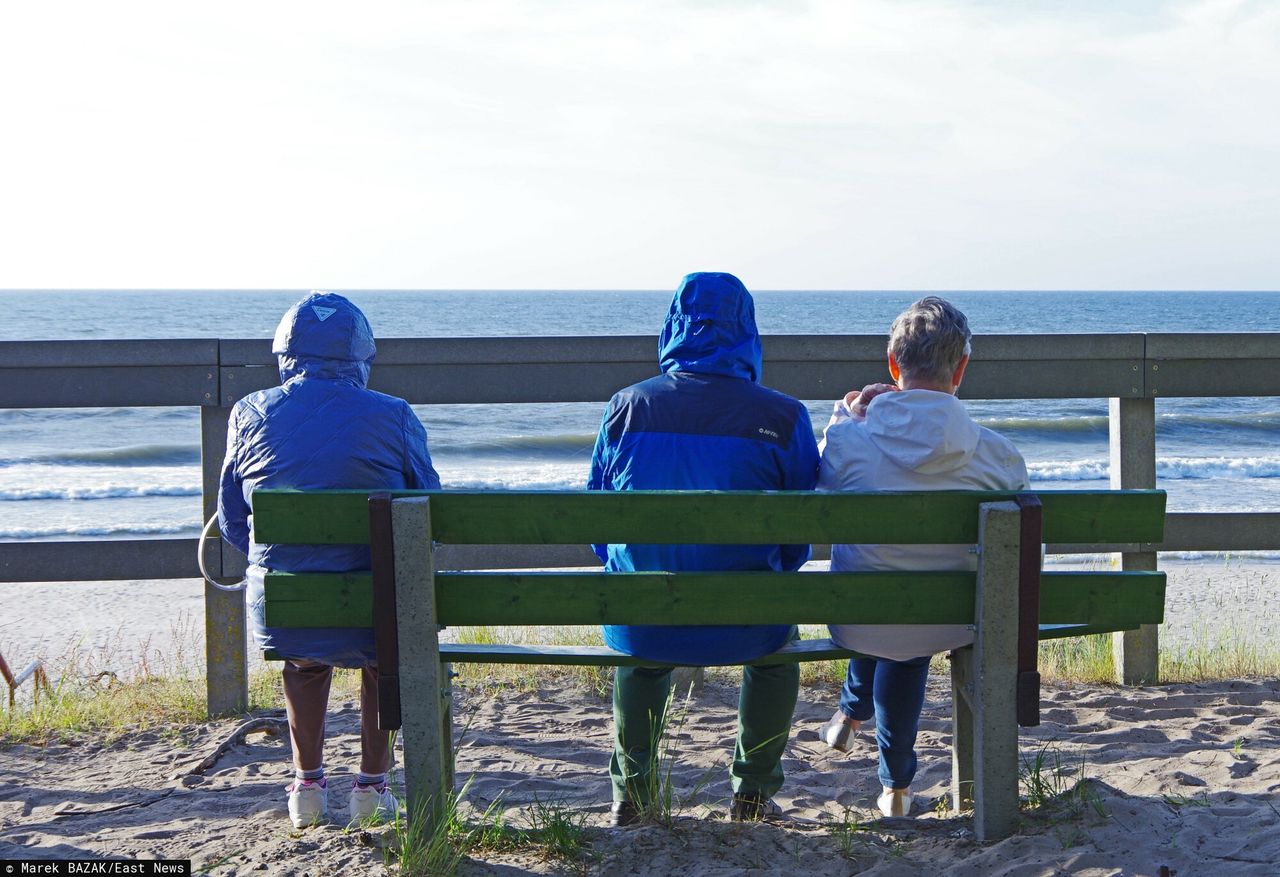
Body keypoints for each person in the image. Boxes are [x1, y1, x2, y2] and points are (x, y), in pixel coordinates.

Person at [588, 272, 820, 826]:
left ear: (673, 327)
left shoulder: (627, 407)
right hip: (749, 620)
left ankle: (632, 794)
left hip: (644, 620)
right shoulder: (783, 416)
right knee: (777, 647)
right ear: (749, 331)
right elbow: (797, 539)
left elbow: (600, 524)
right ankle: (754, 792)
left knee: (641, 638)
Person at [218, 291, 441, 829]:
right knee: (378, 653)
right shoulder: (395, 415)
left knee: (305, 658)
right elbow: (429, 511)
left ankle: (307, 786)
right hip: (375, 602)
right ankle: (371, 786)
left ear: (285, 354)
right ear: (361, 356)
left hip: (288, 603)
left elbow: (230, 518)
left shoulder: (250, 411)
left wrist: (279, 564)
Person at [816, 296, 1028, 819]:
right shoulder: (998, 455)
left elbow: (817, 491)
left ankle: (862, 732)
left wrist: (845, 415)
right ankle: (896, 790)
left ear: (893, 365)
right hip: (954, 618)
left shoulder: (849, 439)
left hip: (859, 616)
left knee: (886, 609)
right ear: (961, 369)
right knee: (906, 637)